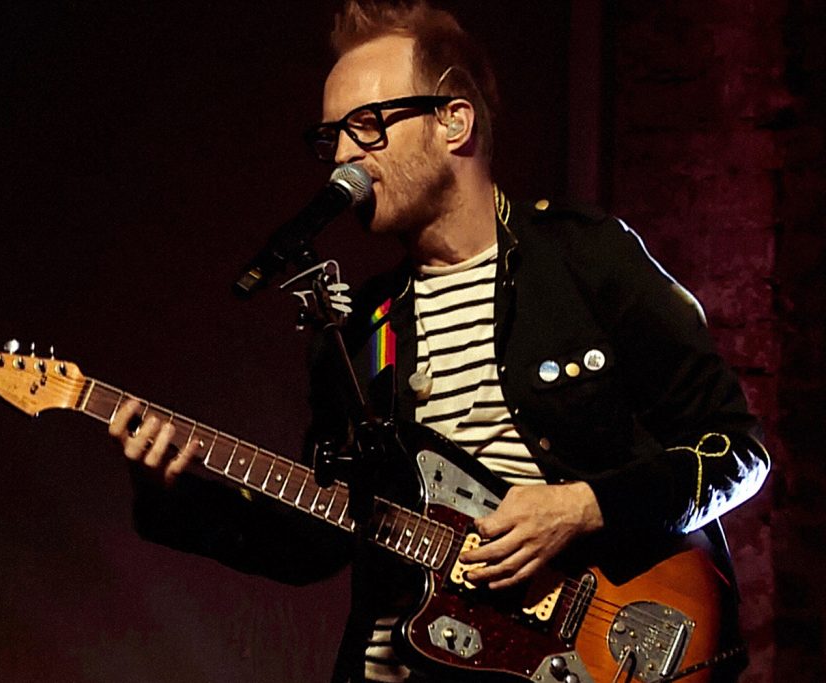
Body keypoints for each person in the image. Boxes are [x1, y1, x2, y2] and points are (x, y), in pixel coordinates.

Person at [109, 2, 771, 681]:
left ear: (455, 120)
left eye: (366, 126)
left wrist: (580, 506)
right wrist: (174, 494)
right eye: (330, 138)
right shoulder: (365, 331)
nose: (342, 157)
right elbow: (316, 538)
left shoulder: (585, 259)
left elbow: (736, 451)